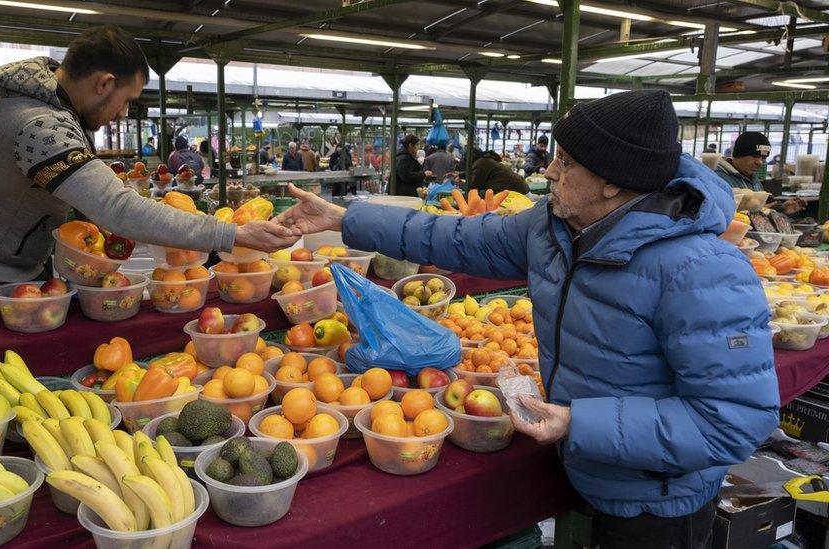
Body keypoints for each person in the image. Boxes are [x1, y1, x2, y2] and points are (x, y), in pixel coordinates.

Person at [275, 90, 778, 549]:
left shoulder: (703, 272)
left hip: (657, 503)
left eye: (566, 162)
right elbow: (454, 238)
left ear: (610, 182)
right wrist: (344, 218)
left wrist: (580, 423)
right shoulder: (554, 226)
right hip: (579, 470)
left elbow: (735, 420)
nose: (550, 172)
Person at [0, 26, 297, 284]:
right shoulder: (39, 125)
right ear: (103, 83)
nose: (122, 113)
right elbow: (116, 207)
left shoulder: (34, 94)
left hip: (0, 256)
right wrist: (230, 235)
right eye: (127, 99)